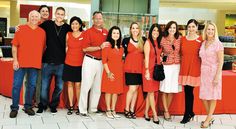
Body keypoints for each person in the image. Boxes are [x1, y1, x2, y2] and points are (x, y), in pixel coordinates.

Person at [9, 10, 45, 118]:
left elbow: (42, 48)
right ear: (28, 18)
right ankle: (14, 108)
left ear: (39, 19)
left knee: (31, 86)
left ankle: (28, 106)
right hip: (20, 63)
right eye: (32, 16)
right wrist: (15, 60)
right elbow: (14, 46)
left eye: (36, 16)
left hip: (34, 64)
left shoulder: (42, 32)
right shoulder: (20, 29)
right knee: (16, 85)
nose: (34, 18)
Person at [37, 7, 71, 114]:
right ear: (55, 14)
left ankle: (53, 105)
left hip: (61, 63)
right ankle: (42, 105)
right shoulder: (47, 24)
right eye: (58, 13)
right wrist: (20, 27)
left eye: (62, 14)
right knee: (44, 86)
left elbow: (79, 32)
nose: (60, 16)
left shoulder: (67, 27)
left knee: (59, 87)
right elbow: (34, 27)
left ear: (64, 16)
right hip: (47, 61)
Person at [79, 11, 109, 116]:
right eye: (96, 18)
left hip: (101, 62)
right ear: (93, 19)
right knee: (86, 86)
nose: (98, 20)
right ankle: (82, 109)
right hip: (89, 60)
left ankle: (93, 109)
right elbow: (84, 48)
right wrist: (99, 47)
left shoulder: (106, 32)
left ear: (102, 19)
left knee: (97, 87)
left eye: (100, 18)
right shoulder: (88, 32)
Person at [199, 22, 224, 128]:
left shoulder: (218, 44)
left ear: (215, 31)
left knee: (213, 96)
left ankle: (208, 119)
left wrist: (217, 76)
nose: (210, 31)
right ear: (205, 31)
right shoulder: (203, 43)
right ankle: (210, 116)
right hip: (204, 73)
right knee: (204, 97)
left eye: (212, 29)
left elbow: (221, 61)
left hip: (214, 72)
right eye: (208, 29)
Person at [179, 19, 203, 124]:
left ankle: (187, 114)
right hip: (184, 68)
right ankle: (191, 112)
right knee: (188, 91)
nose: (191, 29)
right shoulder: (182, 39)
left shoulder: (201, 40)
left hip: (194, 69)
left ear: (197, 28)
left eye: (193, 26)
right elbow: (179, 53)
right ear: (187, 28)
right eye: (189, 26)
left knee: (189, 91)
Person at [62, 16, 85, 115]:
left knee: (78, 85)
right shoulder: (68, 34)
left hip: (80, 64)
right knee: (70, 84)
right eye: (72, 24)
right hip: (68, 63)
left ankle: (79, 106)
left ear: (80, 25)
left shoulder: (84, 34)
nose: (74, 25)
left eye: (76, 23)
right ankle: (71, 106)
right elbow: (65, 48)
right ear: (70, 25)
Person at [160, 21, 181, 121]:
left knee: (172, 90)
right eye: (171, 27)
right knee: (165, 89)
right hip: (166, 67)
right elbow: (159, 51)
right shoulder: (163, 39)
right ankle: (166, 111)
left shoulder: (179, 39)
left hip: (176, 66)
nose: (172, 29)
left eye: (174, 28)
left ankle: (166, 110)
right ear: (167, 28)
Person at [123, 22, 144, 119]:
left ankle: (132, 110)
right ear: (130, 29)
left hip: (139, 68)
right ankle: (126, 109)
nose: (135, 30)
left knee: (136, 89)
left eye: (137, 28)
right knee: (132, 89)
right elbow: (121, 52)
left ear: (139, 30)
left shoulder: (143, 40)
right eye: (133, 28)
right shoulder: (126, 40)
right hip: (129, 68)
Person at [101, 26, 124, 119]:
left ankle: (113, 109)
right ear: (110, 34)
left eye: (117, 33)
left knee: (115, 92)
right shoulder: (107, 46)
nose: (116, 35)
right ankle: (108, 109)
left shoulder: (121, 47)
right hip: (109, 71)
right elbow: (104, 61)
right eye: (114, 33)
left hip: (118, 72)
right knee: (109, 91)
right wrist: (108, 73)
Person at [143, 23, 162, 124]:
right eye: (154, 30)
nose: (156, 32)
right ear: (151, 31)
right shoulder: (148, 42)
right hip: (148, 70)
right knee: (150, 92)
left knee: (152, 92)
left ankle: (146, 113)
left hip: (156, 71)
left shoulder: (158, 42)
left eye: (158, 31)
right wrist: (146, 71)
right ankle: (154, 114)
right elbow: (146, 57)